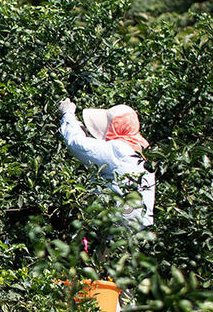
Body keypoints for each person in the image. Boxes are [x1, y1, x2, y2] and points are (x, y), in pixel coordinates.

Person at [57, 98, 156, 231]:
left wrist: (68, 115)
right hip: (141, 230)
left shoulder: (118, 150)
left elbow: (78, 144)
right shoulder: (143, 152)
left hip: (118, 230)